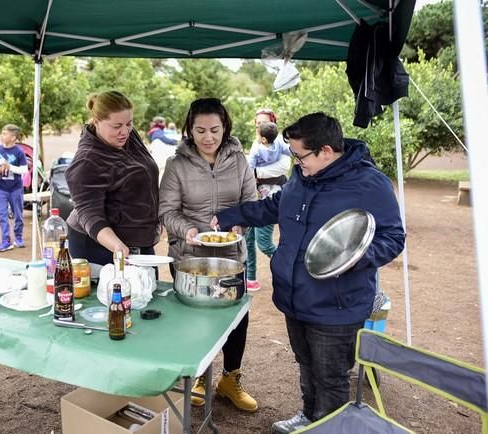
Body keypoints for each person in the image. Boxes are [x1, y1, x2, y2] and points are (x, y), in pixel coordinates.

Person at [212, 112, 405, 433]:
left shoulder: (371, 184)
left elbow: (393, 237)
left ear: (326, 151)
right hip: (295, 296)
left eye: (300, 155)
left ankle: (328, 425)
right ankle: (308, 416)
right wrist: (231, 215)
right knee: (306, 363)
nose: (295, 161)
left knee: (331, 377)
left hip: (337, 304)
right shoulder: (304, 174)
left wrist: (353, 258)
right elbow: (275, 205)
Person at [158, 97, 258, 412]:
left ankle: (230, 379)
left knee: (236, 319)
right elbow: (167, 210)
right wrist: (187, 229)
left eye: (214, 129)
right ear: (190, 129)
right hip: (188, 256)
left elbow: (251, 203)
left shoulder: (240, 161)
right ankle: (198, 376)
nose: (208, 137)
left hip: (231, 257)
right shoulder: (177, 164)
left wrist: (240, 226)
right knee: (194, 319)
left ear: (225, 127)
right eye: (200, 130)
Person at [65, 90, 159, 266]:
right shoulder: (87, 161)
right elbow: (89, 213)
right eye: (116, 126)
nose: (124, 131)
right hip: (99, 244)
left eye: (129, 124)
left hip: (138, 239)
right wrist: (116, 245)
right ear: (96, 122)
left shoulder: (127, 136)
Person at [245, 108, 292, 292]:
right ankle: (250, 278)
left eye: (263, 123)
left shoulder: (279, 142)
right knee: (248, 238)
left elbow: (282, 167)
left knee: (263, 242)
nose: (259, 127)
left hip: (271, 196)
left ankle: (289, 268)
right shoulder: (258, 143)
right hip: (253, 195)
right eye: (257, 124)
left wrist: (255, 173)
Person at [0, 124, 28, 252]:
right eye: (1, 133)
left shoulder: (19, 152)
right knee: (2, 215)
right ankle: (5, 240)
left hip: (15, 189)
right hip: (0, 188)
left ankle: (18, 237)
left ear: (13, 137)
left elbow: (24, 170)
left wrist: (9, 167)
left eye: (4, 134)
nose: (2, 136)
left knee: (18, 214)